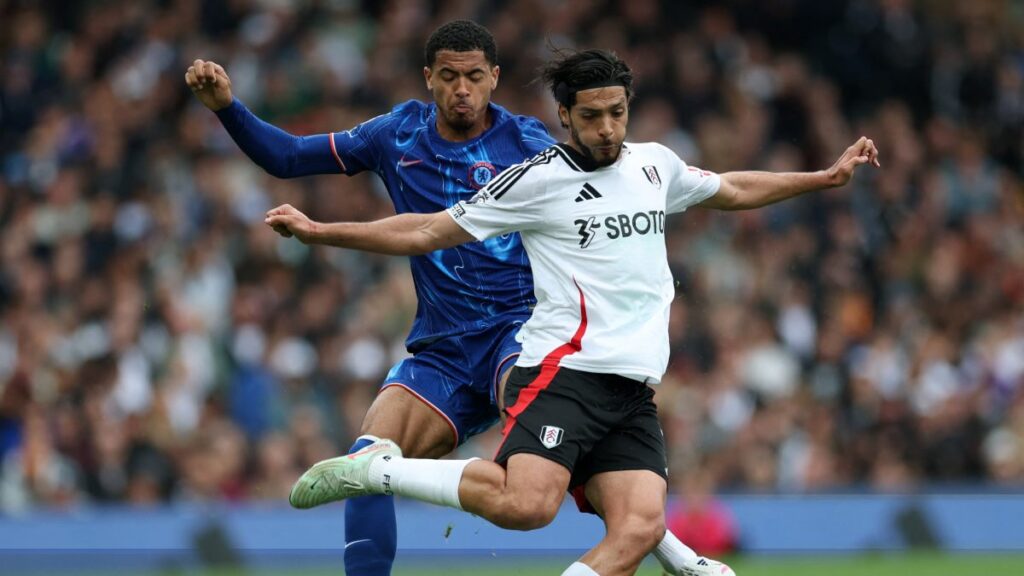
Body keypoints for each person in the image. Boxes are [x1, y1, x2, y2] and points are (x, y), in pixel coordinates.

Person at [270, 48, 879, 576]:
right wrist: (322, 231)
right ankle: (377, 471)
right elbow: (428, 231)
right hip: (567, 370)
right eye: (592, 116)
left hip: (634, 385)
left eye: (617, 113)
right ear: (564, 116)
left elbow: (733, 189)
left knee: (638, 528)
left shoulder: (654, 164)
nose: (608, 128)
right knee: (528, 505)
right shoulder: (536, 180)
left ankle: (672, 552)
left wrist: (823, 177)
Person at [187, 22, 722, 576]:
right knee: (366, 457)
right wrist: (227, 108)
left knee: (559, 454)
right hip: (442, 349)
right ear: (429, 79)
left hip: (522, 333)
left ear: (494, 78)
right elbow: (289, 158)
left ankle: (676, 554)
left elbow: (603, 196)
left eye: (473, 76)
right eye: (448, 77)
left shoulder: (529, 145)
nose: (461, 89)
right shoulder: (395, 135)